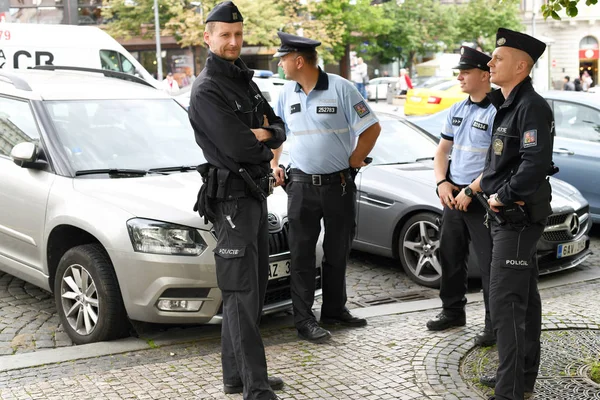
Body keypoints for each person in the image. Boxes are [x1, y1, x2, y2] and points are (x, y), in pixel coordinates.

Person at [188, 2, 285, 399]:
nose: (233, 41)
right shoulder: (208, 87)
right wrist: (261, 137)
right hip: (231, 202)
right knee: (242, 293)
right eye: (224, 35)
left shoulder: (244, 79)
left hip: (254, 196)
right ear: (207, 38)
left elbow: (278, 127)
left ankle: (237, 376)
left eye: (238, 34)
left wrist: (266, 134)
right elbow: (239, 145)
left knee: (252, 290)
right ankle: (255, 388)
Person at [271, 31, 381, 343]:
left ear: (299, 60)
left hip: (339, 185)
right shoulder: (285, 93)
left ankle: (334, 310)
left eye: (283, 58)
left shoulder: (342, 88)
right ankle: (304, 321)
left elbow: (372, 127)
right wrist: (274, 164)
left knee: (337, 251)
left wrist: (356, 158)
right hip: (301, 187)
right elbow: (277, 133)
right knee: (303, 255)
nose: (280, 64)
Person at [478, 28, 554, 400]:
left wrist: (501, 197)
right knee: (523, 301)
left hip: (516, 216)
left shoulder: (531, 105)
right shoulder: (508, 103)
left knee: (506, 305)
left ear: (522, 66)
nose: (490, 62)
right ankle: (520, 380)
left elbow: (534, 163)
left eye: (498, 58)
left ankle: (509, 391)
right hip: (507, 216)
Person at [426, 46, 496, 348]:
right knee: (450, 255)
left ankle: (494, 324)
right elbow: (442, 151)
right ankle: (452, 311)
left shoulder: (499, 110)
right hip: (454, 194)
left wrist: (472, 190)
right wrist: (442, 182)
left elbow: (497, 164)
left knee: (491, 264)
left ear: (484, 75)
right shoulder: (458, 109)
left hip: (481, 198)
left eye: (465, 72)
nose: (460, 77)